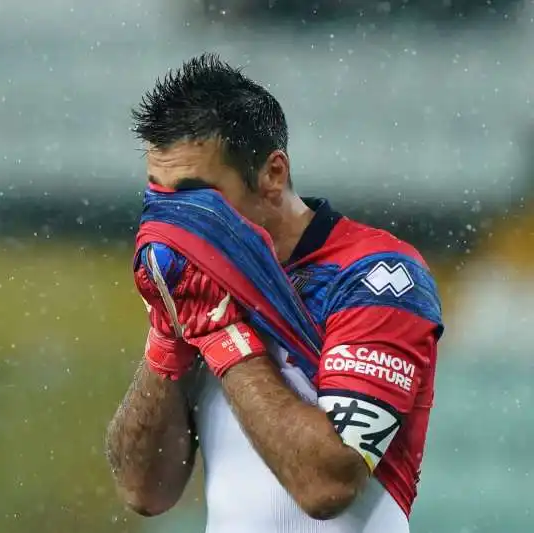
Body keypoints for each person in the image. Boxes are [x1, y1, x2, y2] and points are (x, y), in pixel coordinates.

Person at [105, 53, 443, 533]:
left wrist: (223, 334)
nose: (173, 221)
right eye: (161, 195)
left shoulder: (376, 276)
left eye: (195, 194)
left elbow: (326, 486)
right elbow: (144, 491)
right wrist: (167, 340)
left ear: (272, 175)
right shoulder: (197, 285)